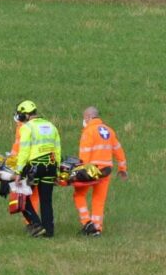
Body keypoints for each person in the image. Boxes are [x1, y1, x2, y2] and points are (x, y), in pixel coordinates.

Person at [74, 106, 128, 237]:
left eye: (84, 117)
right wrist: (122, 169)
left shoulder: (88, 131)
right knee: (98, 200)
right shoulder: (109, 130)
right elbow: (118, 150)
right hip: (106, 170)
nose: (83, 120)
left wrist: (79, 171)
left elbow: (84, 154)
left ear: (88, 117)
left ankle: (87, 223)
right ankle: (97, 228)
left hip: (91, 171)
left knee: (79, 195)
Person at [12, 100, 61, 238]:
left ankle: (37, 225)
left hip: (35, 167)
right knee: (46, 200)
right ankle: (49, 231)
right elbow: (57, 150)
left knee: (22, 198)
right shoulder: (51, 126)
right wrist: (56, 172)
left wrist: (18, 171)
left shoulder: (27, 128)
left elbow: (24, 151)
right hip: (50, 166)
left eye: (21, 114)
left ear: (26, 115)